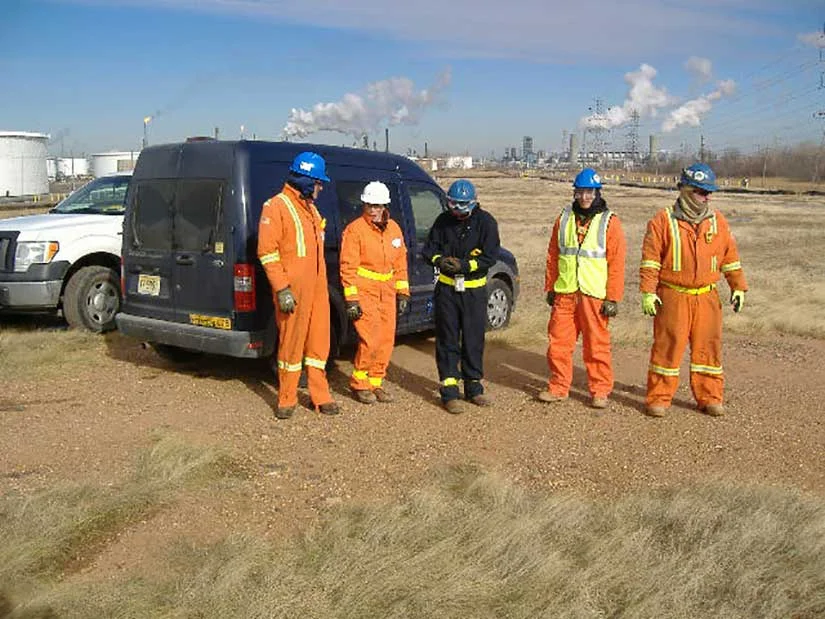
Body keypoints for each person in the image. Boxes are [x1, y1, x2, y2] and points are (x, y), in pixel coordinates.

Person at [640, 162, 748, 418]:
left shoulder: (718, 221)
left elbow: (730, 257)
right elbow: (650, 260)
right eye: (701, 191)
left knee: (708, 349)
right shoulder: (662, 220)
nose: (706, 196)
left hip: (707, 297)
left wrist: (738, 286)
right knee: (667, 347)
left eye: (709, 192)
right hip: (673, 296)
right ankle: (659, 398)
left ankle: (710, 397)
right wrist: (647, 291)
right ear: (686, 190)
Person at [257, 151, 339, 419]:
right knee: (291, 345)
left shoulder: (311, 209)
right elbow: (267, 252)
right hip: (293, 291)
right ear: (305, 180)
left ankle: (321, 396)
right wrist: (282, 288)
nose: (321, 187)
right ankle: (287, 398)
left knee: (319, 344)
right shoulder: (276, 206)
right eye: (318, 182)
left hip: (317, 289)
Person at [538, 168, 627, 409]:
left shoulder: (610, 222)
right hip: (565, 292)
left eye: (589, 192)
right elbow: (553, 255)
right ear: (575, 193)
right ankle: (558, 387)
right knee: (558, 344)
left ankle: (600, 391)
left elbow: (616, 263)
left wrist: (613, 298)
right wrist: (551, 286)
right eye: (580, 192)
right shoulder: (564, 218)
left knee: (596, 345)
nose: (584, 197)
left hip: (594, 296)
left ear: (597, 193)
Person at [422, 179, 500, 414]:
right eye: (453, 204)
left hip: (474, 291)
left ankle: (474, 387)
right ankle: (449, 390)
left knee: (473, 338)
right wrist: (440, 261)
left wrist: (465, 265)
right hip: (446, 290)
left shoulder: (485, 223)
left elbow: (490, 256)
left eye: (462, 205)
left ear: (473, 203)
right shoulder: (443, 221)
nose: (457, 209)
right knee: (447, 339)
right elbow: (429, 250)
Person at [340, 181, 410, 404]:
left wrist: (403, 292)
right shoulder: (355, 230)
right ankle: (359, 383)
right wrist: (351, 299)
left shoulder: (394, 229)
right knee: (370, 339)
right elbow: (347, 267)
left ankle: (376, 382)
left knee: (386, 339)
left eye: (377, 206)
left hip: (387, 292)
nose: (373, 210)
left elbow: (400, 263)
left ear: (384, 206)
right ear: (364, 204)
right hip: (365, 291)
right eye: (369, 205)